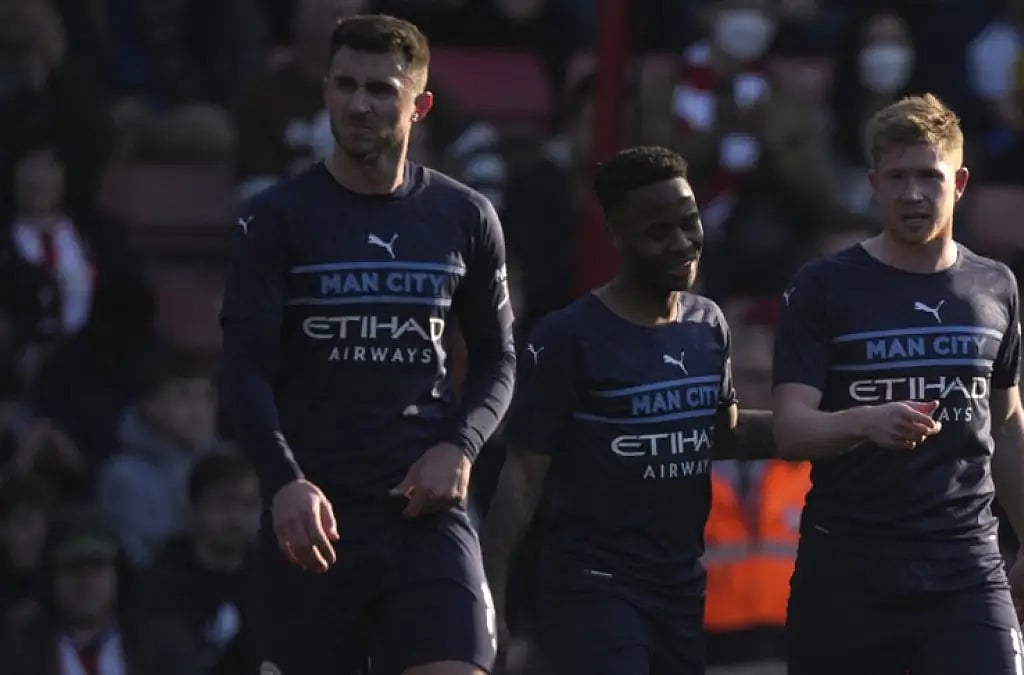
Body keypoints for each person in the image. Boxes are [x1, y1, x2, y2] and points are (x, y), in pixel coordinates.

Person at [219, 14, 515, 675]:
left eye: (381, 89)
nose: (359, 104)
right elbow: (242, 370)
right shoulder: (274, 218)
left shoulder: (464, 216)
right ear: (324, 91)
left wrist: (461, 446)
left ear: (421, 104)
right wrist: (283, 481)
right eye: (345, 85)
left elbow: (499, 359)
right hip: (312, 518)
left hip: (425, 514)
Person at [771, 93, 1024, 675]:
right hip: (849, 564)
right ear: (874, 183)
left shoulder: (994, 285)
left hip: (965, 564)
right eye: (897, 177)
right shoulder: (823, 287)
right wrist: (864, 421)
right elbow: (791, 429)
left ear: (961, 181)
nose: (913, 194)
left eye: (929, 175)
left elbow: (1008, 420)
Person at [480, 146, 776, 675]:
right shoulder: (568, 337)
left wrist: (849, 426)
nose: (683, 243)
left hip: (681, 588)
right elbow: (521, 480)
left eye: (689, 223)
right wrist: (491, 605)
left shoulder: (708, 325)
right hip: (593, 587)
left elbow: (722, 434)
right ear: (617, 235)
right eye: (658, 231)